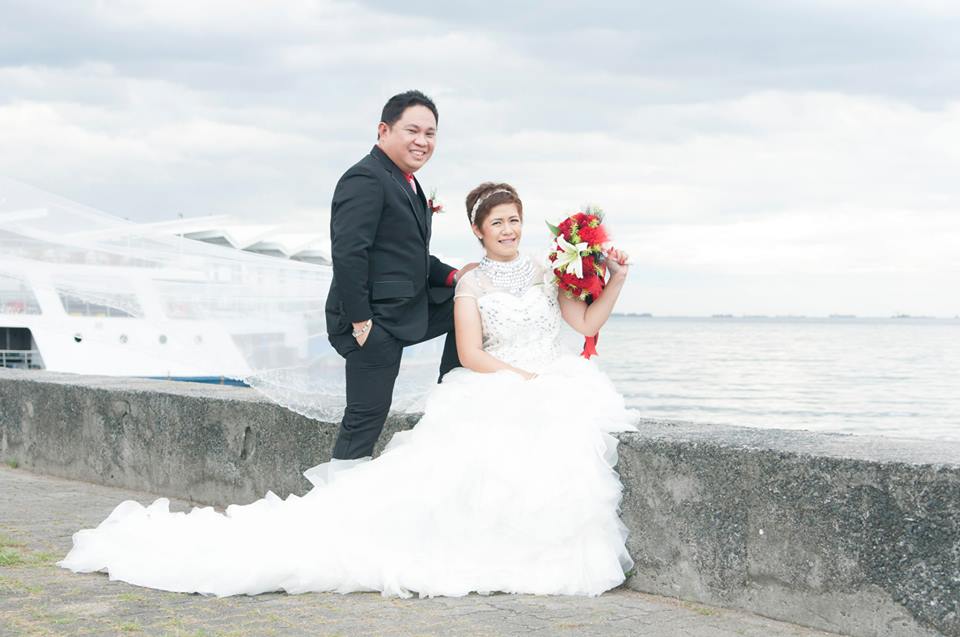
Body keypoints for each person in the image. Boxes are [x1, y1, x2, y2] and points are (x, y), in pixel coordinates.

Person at [59, 182, 637, 598]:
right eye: (498, 223)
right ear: (478, 231)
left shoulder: (547, 272)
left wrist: (616, 279)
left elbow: (585, 323)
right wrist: (526, 380)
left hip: (552, 379)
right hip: (502, 382)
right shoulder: (471, 285)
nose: (509, 230)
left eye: (514, 220)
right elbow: (470, 355)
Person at [325, 90, 471, 461]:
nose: (422, 141)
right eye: (413, 131)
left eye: (430, 133)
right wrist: (361, 323)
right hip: (372, 320)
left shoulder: (406, 181)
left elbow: (411, 257)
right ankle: (337, 492)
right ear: (384, 130)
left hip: (405, 310)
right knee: (365, 420)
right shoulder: (365, 178)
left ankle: (453, 393)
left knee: (469, 304)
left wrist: (457, 277)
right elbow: (348, 253)